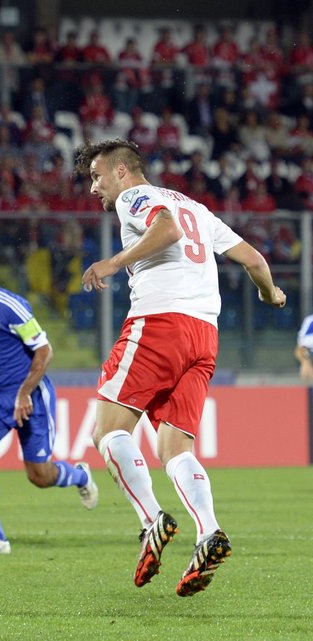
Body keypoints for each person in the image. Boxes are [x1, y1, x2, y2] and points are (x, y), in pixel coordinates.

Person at [76, 139, 286, 597]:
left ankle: (151, 518)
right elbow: (254, 259)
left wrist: (113, 262)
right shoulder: (199, 209)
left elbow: (166, 231)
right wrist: (270, 293)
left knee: (108, 430)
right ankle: (209, 531)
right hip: (204, 336)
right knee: (174, 448)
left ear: (121, 172)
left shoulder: (136, 197)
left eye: (97, 176)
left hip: (159, 322)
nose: (94, 187)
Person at [0, 244, 98, 556]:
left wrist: (23, 394)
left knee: (40, 476)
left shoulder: (10, 305)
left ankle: (81, 475)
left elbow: (44, 352)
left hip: (31, 394)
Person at [295, 314, 313, 381]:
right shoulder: (310, 319)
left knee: (306, 364)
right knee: (306, 363)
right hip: (306, 346)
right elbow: (302, 334)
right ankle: (306, 383)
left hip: (306, 345)